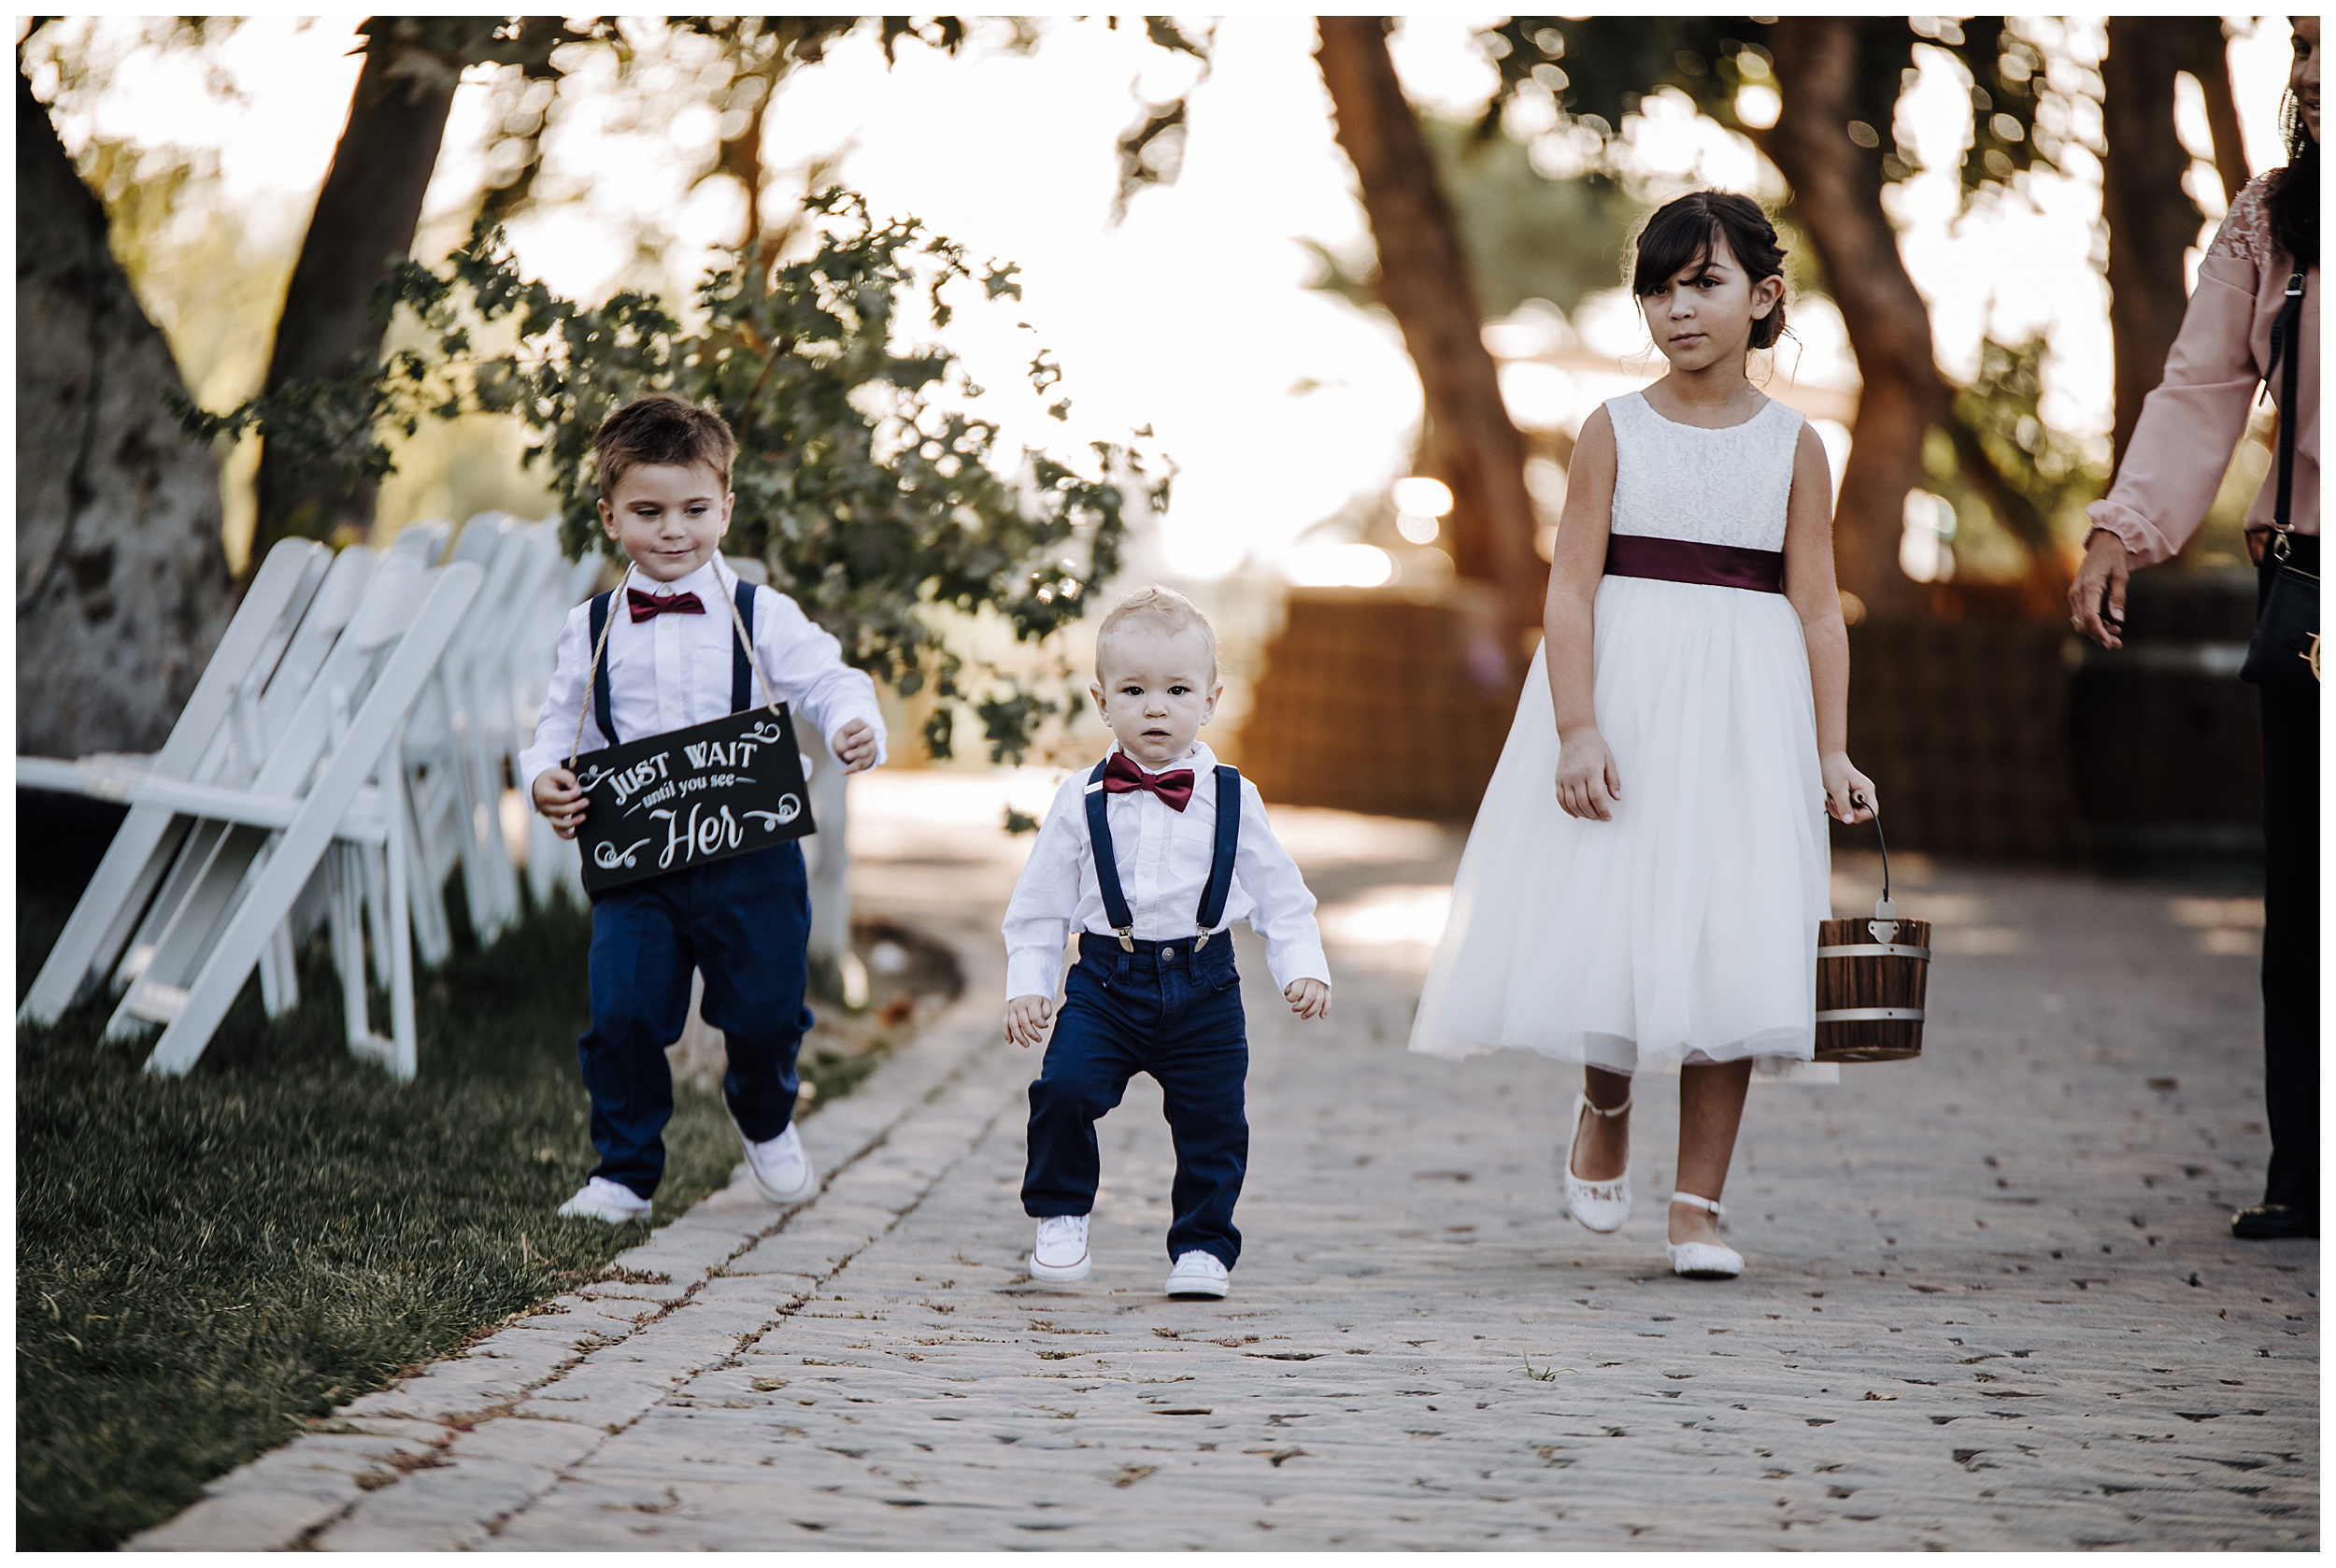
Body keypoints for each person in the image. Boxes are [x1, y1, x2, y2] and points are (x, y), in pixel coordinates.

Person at [1408, 192, 1875, 1279]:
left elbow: (1816, 606)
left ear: (1762, 299)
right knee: (1617, 913)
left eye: (1702, 283)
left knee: (1735, 938)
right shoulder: (1610, 430)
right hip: (1627, 691)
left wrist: (1830, 748)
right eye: (1657, 288)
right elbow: (1568, 591)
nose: (1676, 308)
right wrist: (1576, 727)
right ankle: (1605, 1094)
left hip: (1748, 710)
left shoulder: (1798, 445)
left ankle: (1696, 1204)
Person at [2070, 18, 2319, 1242]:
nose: (2315, 69)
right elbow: (2199, 385)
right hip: (2312, 597)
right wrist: (2124, 527)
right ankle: (2306, 1168)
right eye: (2307, 46)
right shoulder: (2275, 221)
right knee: (2305, 890)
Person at [519, 394, 886, 1224]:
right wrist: (545, 774)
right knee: (622, 1014)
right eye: (648, 512)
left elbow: (827, 681)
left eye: (694, 509)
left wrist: (854, 724)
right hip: (638, 860)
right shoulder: (592, 627)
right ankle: (623, 1174)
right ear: (611, 517)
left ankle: (763, 1116)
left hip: (751, 856)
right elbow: (555, 720)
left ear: (726, 506)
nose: (674, 530)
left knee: (762, 1010)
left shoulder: (761, 614)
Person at [1001, 589, 1332, 1300]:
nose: (1156, 707)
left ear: (1211, 700)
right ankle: (1060, 1215)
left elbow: (1281, 895)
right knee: (1061, 1090)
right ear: (1102, 700)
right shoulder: (1080, 797)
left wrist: (1302, 969)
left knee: (1214, 1123)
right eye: (1135, 690)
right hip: (1105, 984)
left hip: (1206, 986)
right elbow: (1040, 906)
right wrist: (1028, 983)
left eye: (1177, 690)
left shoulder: (1235, 798)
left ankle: (1204, 1247)